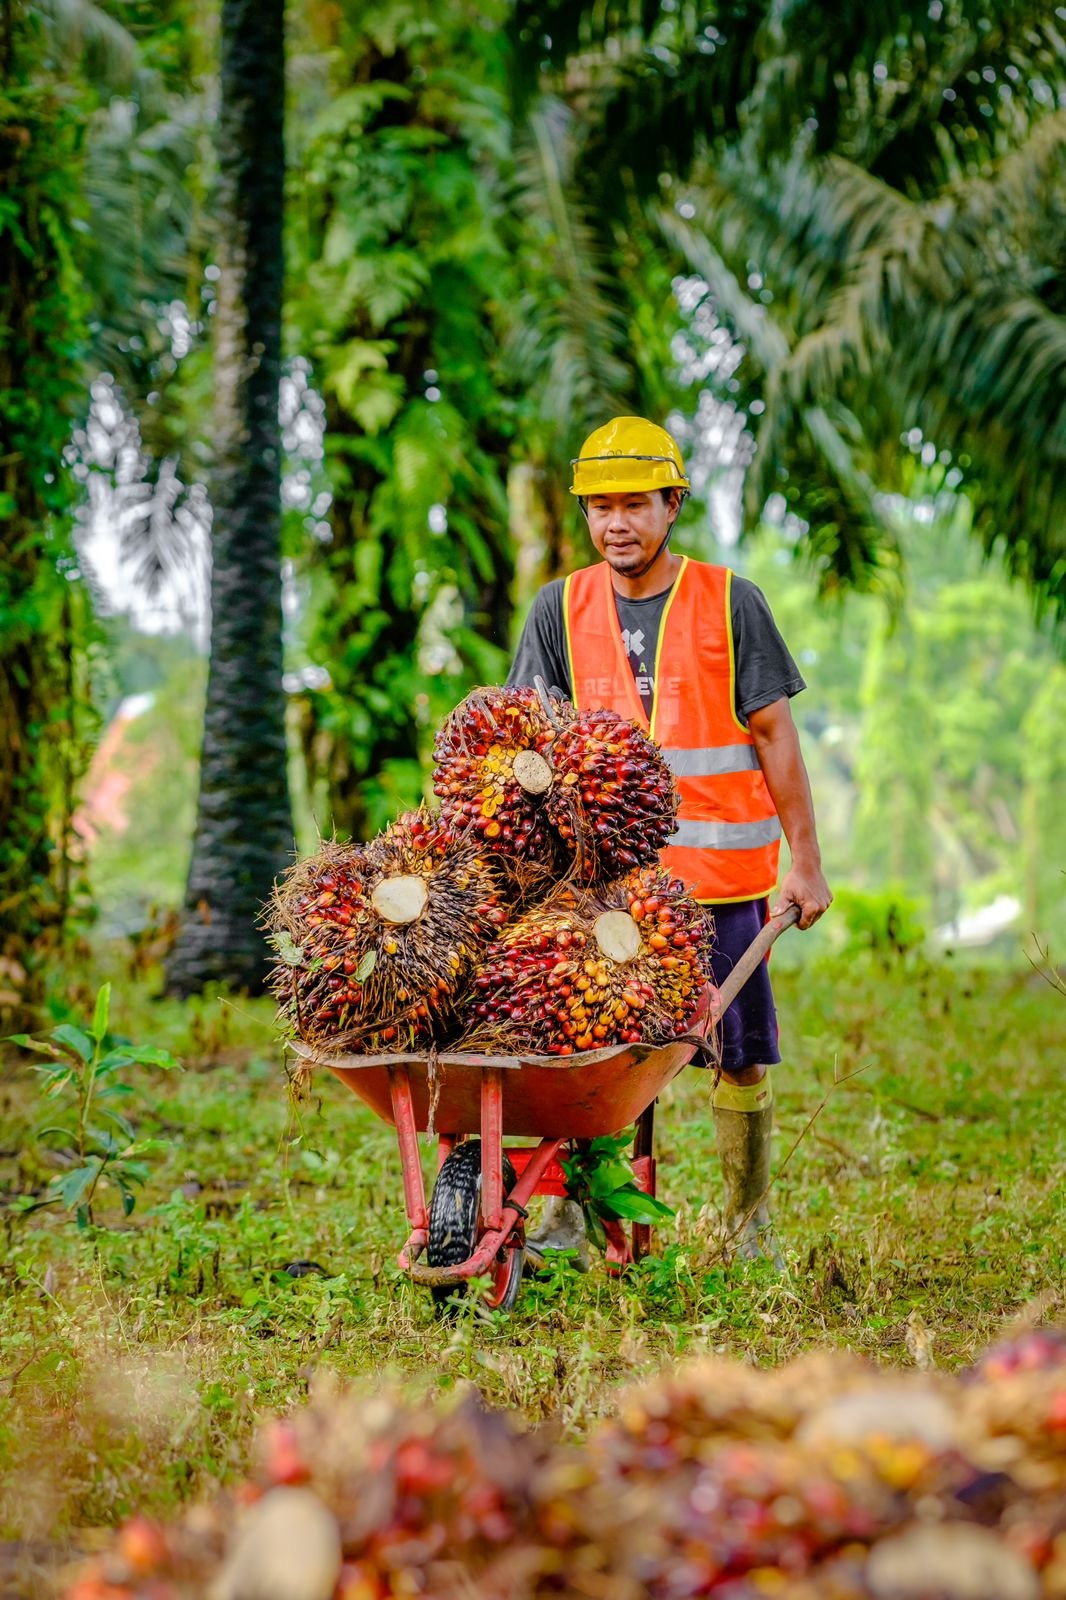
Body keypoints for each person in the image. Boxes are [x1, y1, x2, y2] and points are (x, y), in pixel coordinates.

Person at [507, 415, 832, 1268]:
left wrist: (806, 862)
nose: (617, 523)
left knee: (741, 1057)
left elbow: (774, 737)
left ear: (673, 504)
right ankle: (579, 1221)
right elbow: (526, 745)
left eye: (635, 504)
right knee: (589, 1053)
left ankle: (747, 1222)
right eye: (599, 507)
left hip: (719, 885)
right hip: (603, 890)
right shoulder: (561, 608)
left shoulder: (731, 601)